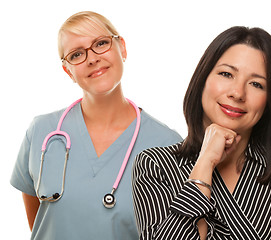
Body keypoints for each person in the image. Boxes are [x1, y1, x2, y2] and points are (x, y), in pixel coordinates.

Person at [10, 11, 182, 240]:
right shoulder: (42, 132)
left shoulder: (169, 145)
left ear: (122, 48)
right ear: (67, 70)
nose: (92, 58)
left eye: (101, 43)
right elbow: (42, 224)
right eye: (76, 54)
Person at [132, 26, 271, 240]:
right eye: (226, 74)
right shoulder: (155, 165)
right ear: (203, 80)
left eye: (256, 84)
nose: (237, 93)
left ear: (270, 100)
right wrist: (205, 163)